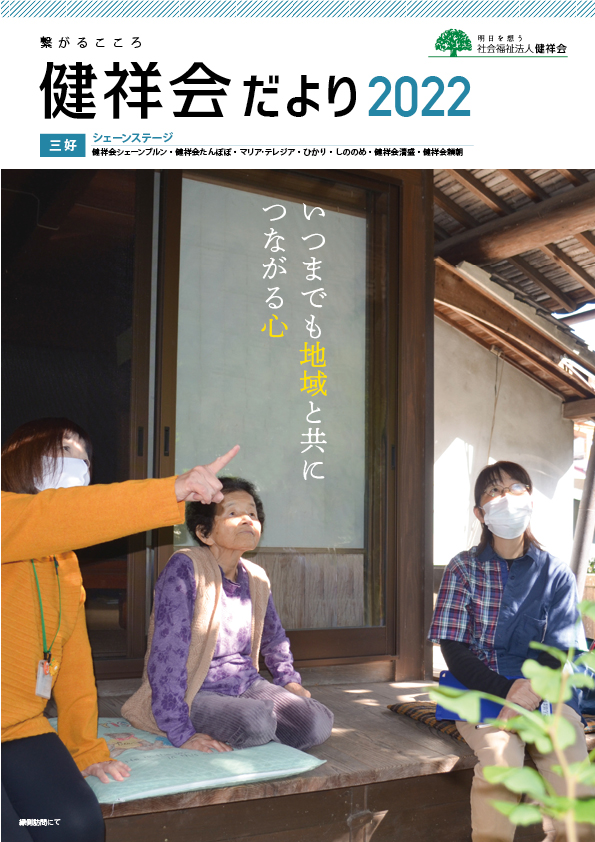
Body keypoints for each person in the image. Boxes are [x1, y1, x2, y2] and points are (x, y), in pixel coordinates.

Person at [1, 416, 239, 842]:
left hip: (17, 727)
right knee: (13, 833)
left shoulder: (64, 562)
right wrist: (172, 489)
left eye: (84, 459)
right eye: (64, 451)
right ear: (22, 459)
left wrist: (85, 751)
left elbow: (73, 667)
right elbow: (55, 515)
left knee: (73, 825)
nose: (78, 464)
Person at [429, 460, 594, 842]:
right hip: (480, 689)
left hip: (544, 694)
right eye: (494, 491)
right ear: (480, 513)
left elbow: (559, 649)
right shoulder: (463, 568)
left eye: (516, 487)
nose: (506, 497)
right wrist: (507, 690)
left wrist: (528, 692)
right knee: (501, 764)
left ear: (531, 500)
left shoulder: (555, 572)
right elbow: (453, 647)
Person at [123, 476, 334, 753]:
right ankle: (251, 722)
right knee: (256, 721)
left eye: (252, 514)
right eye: (233, 513)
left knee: (316, 722)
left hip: (246, 683)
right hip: (196, 690)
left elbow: (274, 637)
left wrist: (289, 681)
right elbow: (167, 654)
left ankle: (258, 721)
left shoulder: (256, 577)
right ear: (205, 533)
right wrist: (179, 730)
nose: (247, 520)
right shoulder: (186, 568)